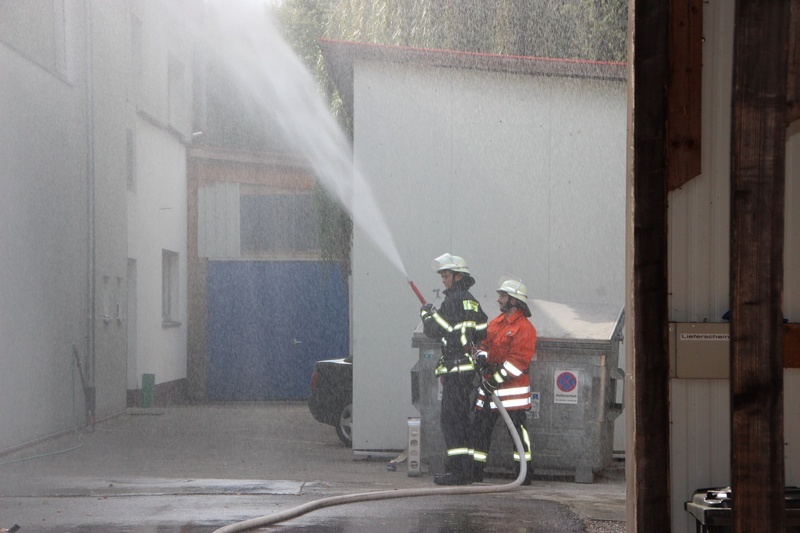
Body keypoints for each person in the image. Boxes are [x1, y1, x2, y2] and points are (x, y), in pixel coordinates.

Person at [420, 253, 488, 485]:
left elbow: (433, 330)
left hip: (455, 370)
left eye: (446, 275)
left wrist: (426, 314)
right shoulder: (472, 301)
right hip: (466, 372)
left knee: (451, 421)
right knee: (463, 420)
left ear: (458, 276)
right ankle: (466, 470)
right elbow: (482, 330)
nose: (443, 280)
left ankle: (458, 472)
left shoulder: (452, 301)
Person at [471, 278, 537, 485]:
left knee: (518, 434)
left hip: (512, 394)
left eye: (503, 296)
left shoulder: (524, 328)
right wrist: (481, 356)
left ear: (514, 300)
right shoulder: (497, 323)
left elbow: (517, 363)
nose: (498, 299)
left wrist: (494, 380)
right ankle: (475, 471)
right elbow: (484, 345)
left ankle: (524, 473)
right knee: (480, 431)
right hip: (489, 390)